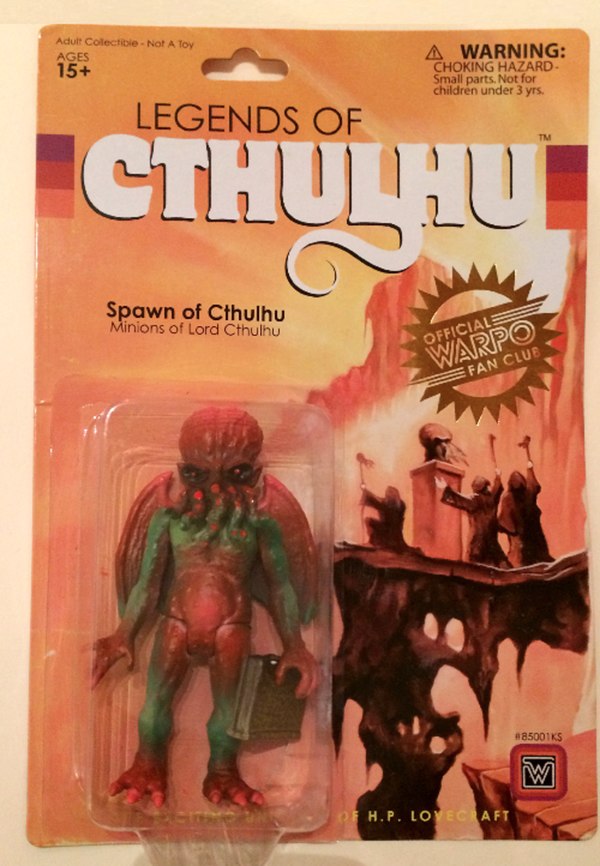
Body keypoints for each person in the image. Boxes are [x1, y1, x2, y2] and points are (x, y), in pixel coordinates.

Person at [437, 470, 509, 567]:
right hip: (492, 542)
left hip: (478, 542)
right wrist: (498, 476)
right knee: (495, 564)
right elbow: (497, 489)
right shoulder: (492, 499)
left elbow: (460, 499)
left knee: (476, 567)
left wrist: (446, 489)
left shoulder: (475, 499)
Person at [498, 459, 553, 567]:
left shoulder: (511, 496)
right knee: (526, 558)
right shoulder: (517, 495)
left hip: (525, 534)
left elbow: (505, 520)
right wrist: (530, 469)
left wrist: (530, 470)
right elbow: (534, 486)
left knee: (526, 558)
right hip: (524, 534)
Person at [361, 485, 407, 552]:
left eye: (389, 493)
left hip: (389, 530)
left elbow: (377, 502)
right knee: (370, 521)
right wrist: (365, 490)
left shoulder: (390, 505)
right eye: (387, 493)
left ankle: (373, 543)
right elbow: (377, 499)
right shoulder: (400, 504)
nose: (387, 494)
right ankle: (374, 543)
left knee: (369, 521)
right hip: (391, 530)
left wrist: (366, 492)